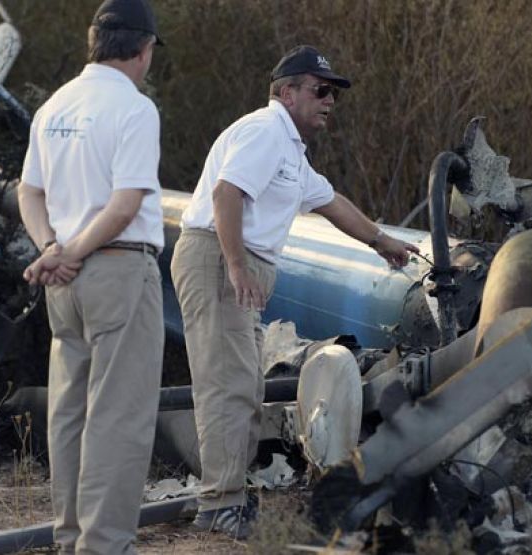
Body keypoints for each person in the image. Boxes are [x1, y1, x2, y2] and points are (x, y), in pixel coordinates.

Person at [170, 45, 419, 539]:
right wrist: (238, 265)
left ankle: (227, 499)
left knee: (246, 386)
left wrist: (383, 242)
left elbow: (332, 203)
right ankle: (219, 505)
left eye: (333, 94)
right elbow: (226, 193)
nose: (329, 101)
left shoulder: (292, 154)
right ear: (286, 92)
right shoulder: (265, 132)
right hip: (218, 261)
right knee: (227, 385)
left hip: (237, 266)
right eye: (320, 90)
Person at [16, 1, 165, 552]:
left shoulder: (54, 106)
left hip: (65, 282)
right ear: (144, 50)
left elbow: (27, 190)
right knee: (118, 415)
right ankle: (103, 544)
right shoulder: (134, 108)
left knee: (69, 414)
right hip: (119, 268)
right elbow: (125, 204)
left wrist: (52, 249)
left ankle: (70, 536)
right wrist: (71, 248)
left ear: (93, 41)